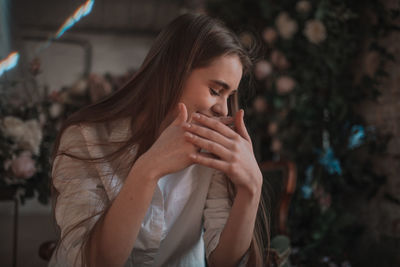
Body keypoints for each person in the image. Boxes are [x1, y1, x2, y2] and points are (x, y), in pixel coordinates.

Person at [49, 12, 270, 267]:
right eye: (215, 91)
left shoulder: (212, 152)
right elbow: (94, 261)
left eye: (228, 96)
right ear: (173, 72)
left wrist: (251, 188)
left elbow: (223, 261)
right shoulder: (84, 138)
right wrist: (148, 170)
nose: (224, 110)